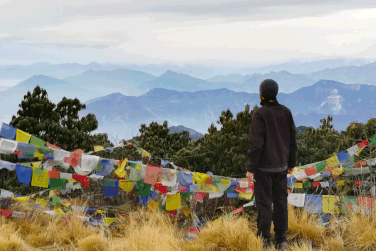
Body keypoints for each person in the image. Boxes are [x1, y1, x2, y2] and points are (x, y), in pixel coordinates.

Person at [247, 79, 297, 249]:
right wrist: (291, 163)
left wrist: (250, 168)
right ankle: (281, 240)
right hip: (282, 167)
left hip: (263, 169)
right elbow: (292, 140)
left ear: (261, 94)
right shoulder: (286, 112)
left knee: (264, 204)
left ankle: (265, 240)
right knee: (281, 203)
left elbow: (256, 145)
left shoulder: (259, 114)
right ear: (276, 93)